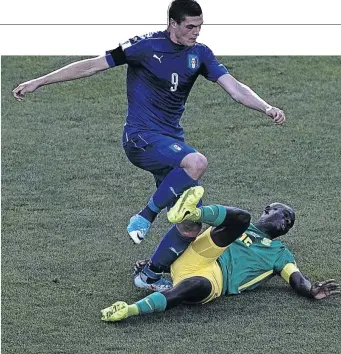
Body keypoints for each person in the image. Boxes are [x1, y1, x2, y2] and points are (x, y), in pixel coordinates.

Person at [12, 0, 286, 292]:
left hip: (170, 143)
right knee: (196, 162)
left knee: (191, 224)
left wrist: (266, 107)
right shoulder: (143, 46)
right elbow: (92, 66)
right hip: (140, 138)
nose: (196, 32)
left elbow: (234, 87)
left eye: (200, 26)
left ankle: (150, 276)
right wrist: (39, 81)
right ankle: (144, 216)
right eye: (190, 27)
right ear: (173, 24)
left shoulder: (200, 54)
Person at [101, 186, 340, 322]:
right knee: (241, 219)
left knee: (189, 289)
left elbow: (296, 278)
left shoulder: (280, 254)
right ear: (267, 210)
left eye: (290, 223)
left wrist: (310, 290)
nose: (287, 222)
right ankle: (191, 214)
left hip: (215, 280)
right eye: (284, 214)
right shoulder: (243, 226)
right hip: (203, 255)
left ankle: (128, 309)